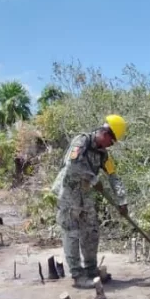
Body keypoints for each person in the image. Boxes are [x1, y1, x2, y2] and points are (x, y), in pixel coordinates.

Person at [52, 114, 129, 288]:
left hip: (86, 197)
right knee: (71, 233)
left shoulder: (103, 154)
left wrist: (122, 200)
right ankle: (78, 276)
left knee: (91, 231)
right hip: (68, 195)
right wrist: (93, 179)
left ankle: (91, 270)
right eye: (112, 140)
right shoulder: (82, 141)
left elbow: (113, 176)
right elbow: (72, 165)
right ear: (105, 132)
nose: (112, 144)